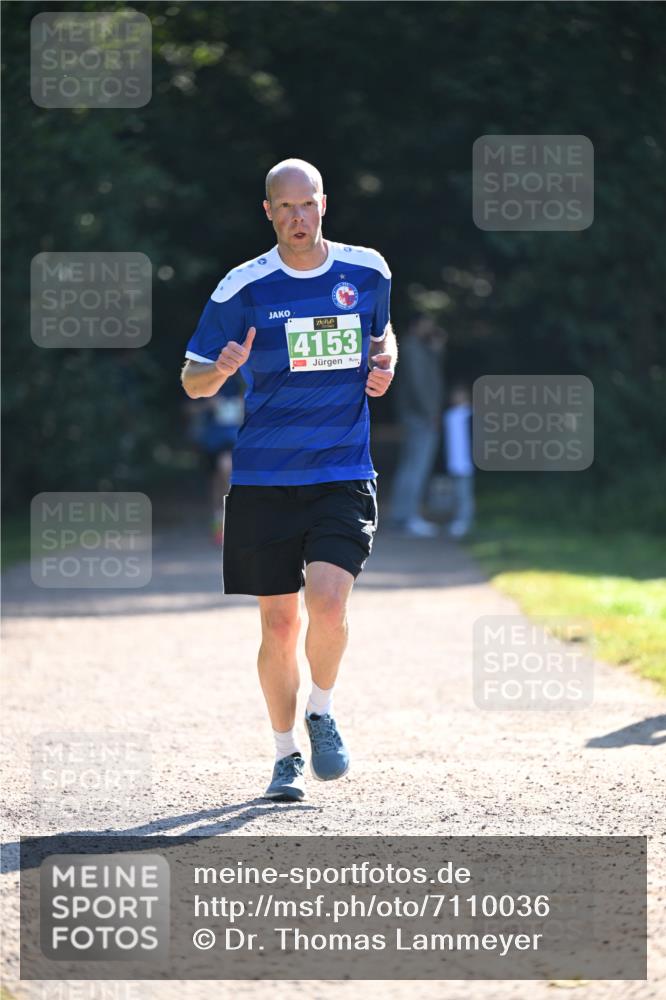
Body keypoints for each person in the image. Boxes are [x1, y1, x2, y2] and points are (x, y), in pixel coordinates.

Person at [180, 158, 396, 802]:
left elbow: (382, 340)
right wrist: (219, 370)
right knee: (278, 626)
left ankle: (322, 710)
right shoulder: (240, 289)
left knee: (328, 603)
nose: (297, 218)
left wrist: (386, 367)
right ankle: (283, 756)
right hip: (265, 477)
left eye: (307, 205)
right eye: (285, 207)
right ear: (267, 211)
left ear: (323, 205)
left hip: (341, 469)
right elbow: (192, 380)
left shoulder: (368, 271)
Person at [388, 313, 446, 537]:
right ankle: (407, 517)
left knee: (411, 465)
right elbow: (420, 384)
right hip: (420, 417)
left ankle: (403, 516)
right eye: (428, 324)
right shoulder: (412, 348)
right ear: (417, 325)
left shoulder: (418, 348)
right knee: (416, 467)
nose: (431, 328)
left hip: (418, 415)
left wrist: (437, 351)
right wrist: (431, 413)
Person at [186, 375, 244, 544]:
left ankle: (229, 522)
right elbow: (187, 407)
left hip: (236, 441)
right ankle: (219, 522)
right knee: (216, 482)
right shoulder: (205, 373)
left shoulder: (242, 378)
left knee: (226, 470)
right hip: (212, 442)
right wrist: (207, 405)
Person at [444, 385, 475, 537]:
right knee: (455, 494)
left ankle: (464, 521)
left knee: (464, 494)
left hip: (466, 463)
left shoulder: (471, 415)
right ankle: (456, 520)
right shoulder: (449, 415)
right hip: (452, 462)